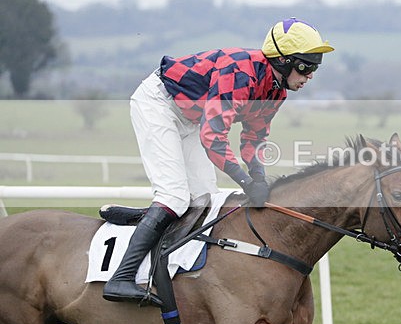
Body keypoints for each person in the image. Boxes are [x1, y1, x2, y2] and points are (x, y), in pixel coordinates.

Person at [103, 18, 334, 305]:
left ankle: (153, 233)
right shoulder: (240, 73)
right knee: (174, 197)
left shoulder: (277, 91)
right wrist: (246, 181)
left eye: (315, 68)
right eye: (306, 66)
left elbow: (254, 137)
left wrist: (259, 177)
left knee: (204, 200)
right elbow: (213, 137)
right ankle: (121, 279)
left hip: (191, 118)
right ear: (284, 61)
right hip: (159, 104)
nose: (310, 75)